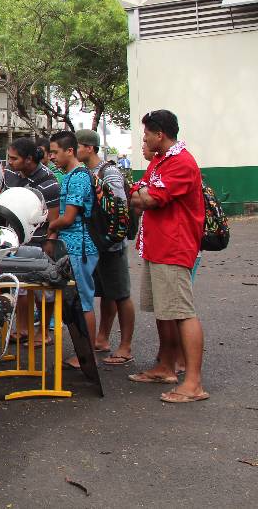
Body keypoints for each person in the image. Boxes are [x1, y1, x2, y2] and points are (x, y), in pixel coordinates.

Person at [127, 110, 207, 403]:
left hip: (174, 248)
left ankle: (194, 383)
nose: (144, 139)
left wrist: (141, 193)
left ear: (159, 134)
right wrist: (140, 192)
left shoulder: (181, 163)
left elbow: (146, 198)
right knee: (164, 310)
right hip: (156, 246)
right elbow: (139, 193)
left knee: (182, 312)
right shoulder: (161, 161)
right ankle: (166, 366)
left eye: (146, 133)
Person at [76, 129, 136, 366]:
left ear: (89, 148)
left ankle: (126, 346)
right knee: (106, 293)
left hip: (110, 244)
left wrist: (111, 239)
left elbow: (118, 207)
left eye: (78, 146)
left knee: (121, 294)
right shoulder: (85, 171)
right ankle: (102, 338)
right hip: (96, 243)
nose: (75, 150)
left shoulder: (108, 172)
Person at [46, 130, 98, 369]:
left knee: (84, 302)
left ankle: (89, 354)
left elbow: (68, 218)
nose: (52, 157)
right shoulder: (68, 176)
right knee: (77, 303)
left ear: (70, 151)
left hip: (81, 247)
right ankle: (84, 352)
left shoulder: (78, 178)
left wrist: (50, 225)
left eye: (55, 152)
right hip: (72, 246)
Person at [4, 137, 61, 346]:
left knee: (42, 290)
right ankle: (23, 328)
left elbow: (53, 221)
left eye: (14, 158)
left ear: (29, 159)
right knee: (19, 287)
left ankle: (44, 332)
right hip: (16, 240)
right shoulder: (11, 174)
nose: (9, 162)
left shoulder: (49, 182)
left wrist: (50, 244)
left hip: (40, 241)